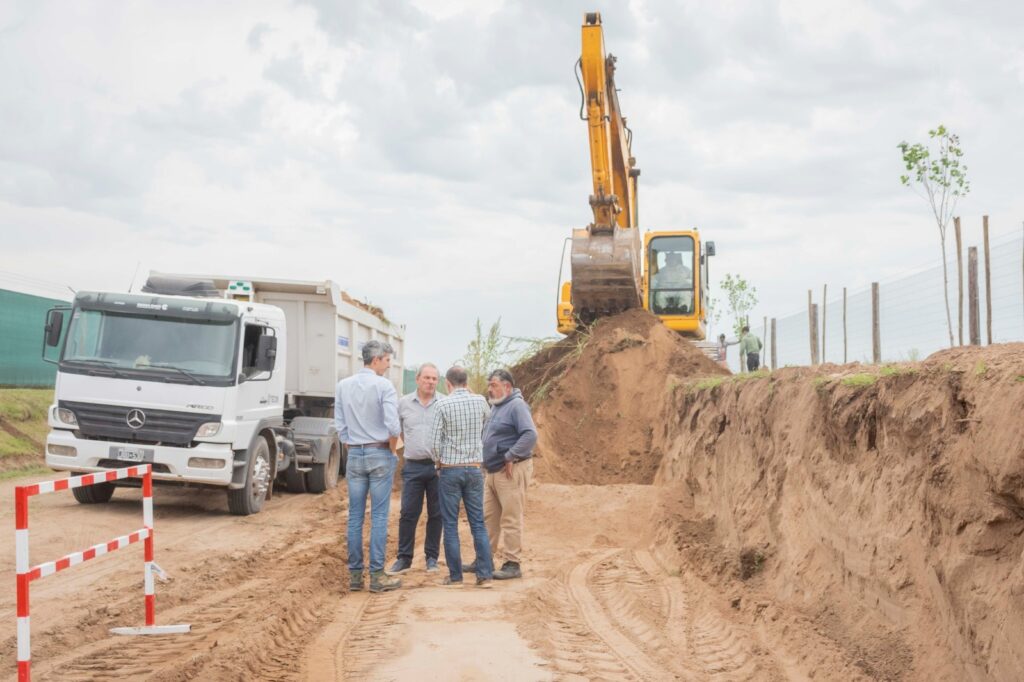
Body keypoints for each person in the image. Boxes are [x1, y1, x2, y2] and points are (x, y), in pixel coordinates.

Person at [335, 340, 402, 594]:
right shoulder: (384, 386)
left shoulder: (343, 386)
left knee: (354, 516)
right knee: (379, 516)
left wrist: (352, 443)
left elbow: (339, 425)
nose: (388, 366)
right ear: (376, 360)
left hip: (354, 454)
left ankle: (355, 576)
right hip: (379, 451)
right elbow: (393, 425)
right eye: (387, 361)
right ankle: (376, 575)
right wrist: (393, 449)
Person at [429, 366, 494, 588]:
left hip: (450, 469)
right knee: (478, 523)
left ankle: (456, 577)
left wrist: (438, 462)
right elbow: (487, 425)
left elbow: (434, 442)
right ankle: (485, 575)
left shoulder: (442, 404)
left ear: (447, 383)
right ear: (466, 382)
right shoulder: (480, 401)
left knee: (450, 523)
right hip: (475, 468)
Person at [479, 368, 537, 581]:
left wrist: (511, 455)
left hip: (510, 471)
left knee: (510, 518)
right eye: (489, 385)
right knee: (489, 518)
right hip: (493, 472)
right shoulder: (497, 406)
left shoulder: (517, 406)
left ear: (507, 387)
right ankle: (484, 560)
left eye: (493, 385)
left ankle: (512, 563)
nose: (490, 389)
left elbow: (530, 434)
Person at [388, 363, 443, 575]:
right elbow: (397, 430)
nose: (430, 382)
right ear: (418, 379)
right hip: (412, 467)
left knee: (436, 514)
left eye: (434, 379)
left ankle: (432, 558)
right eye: (427, 378)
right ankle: (404, 558)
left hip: (438, 467)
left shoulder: (444, 404)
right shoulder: (403, 404)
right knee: (408, 513)